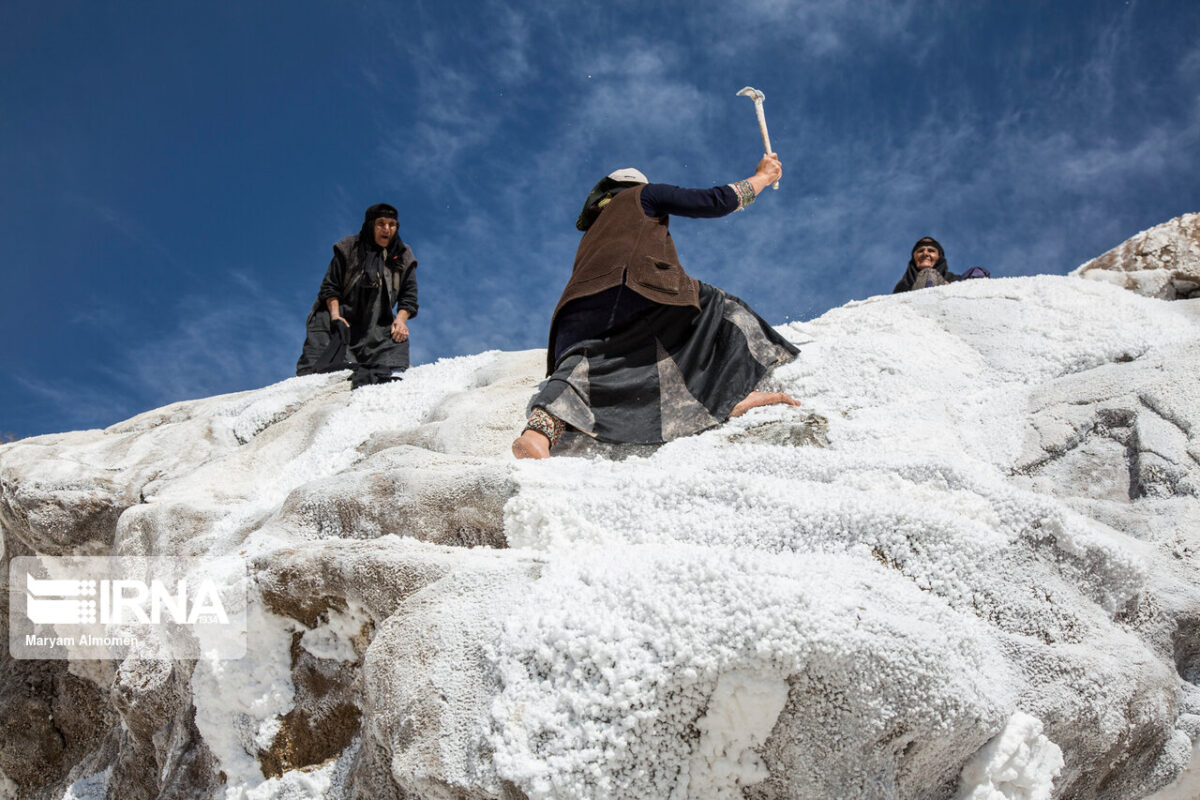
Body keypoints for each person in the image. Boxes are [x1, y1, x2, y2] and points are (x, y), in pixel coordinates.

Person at [512, 156, 801, 459]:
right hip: (633, 289)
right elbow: (714, 201)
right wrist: (762, 177)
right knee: (721, 311)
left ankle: (538, 435)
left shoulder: (594, 230)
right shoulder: (642, 195)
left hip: (571, 316)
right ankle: (731, 394)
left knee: (587, 359)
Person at [295, 203, 418, 387]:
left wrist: (400, 321)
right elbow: (330, 287)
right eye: (381, 223)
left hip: (375, 325)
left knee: (394, 352)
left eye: (392, 224)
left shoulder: (403, 256)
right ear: (370, 225)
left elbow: (409, 297)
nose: (387, 229)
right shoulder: (349, 247)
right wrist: (335, 316)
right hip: (340, 318)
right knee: (318, 374)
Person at [892, 236, 990, 293]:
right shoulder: (903, 285)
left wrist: (952, 287)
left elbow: (977, 279)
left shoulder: (953, 279)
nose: (925, 253)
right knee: (928, 274)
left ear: (939, 257)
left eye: (931, 251)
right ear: (914, 257)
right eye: (920, 251)